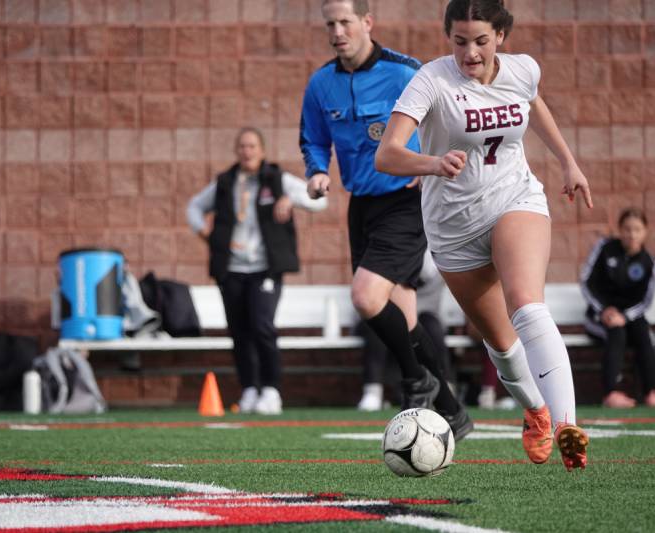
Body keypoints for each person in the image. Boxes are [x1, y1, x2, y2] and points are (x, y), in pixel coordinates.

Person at [375, 0, 590, 470]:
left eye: (481, 41)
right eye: (459, 41)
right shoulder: (431, 80)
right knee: (502, 344)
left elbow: (534, 105)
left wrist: (568, 162)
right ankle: (536, 412)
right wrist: (432, 162)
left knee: (527, 303)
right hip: (453, 228)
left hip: (515, 199)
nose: (470, 52)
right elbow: (387, 155)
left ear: (501, 37)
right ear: (447, 37)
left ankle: (568, 427)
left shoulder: (522, 70)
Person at [300, 0, 473, 440]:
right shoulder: (321, 84)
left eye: (345, 22)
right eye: (330, 24)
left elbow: (450, 117)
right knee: (404, 316)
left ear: (367, 23)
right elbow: (314, 139)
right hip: (362, 207)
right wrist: (318, 171)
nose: (337, 31)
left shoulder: (404, 72)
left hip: (406, 201)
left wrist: (431, 163)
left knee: (365, 297)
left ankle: (415, 379)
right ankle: (452, 410)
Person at [187, 127, 328, 415]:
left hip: (265, 268)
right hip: (232, 268)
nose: (247, 151)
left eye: (252, 146)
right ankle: (249, 388)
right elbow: (194, 207)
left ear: (261, 150)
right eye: (242, 146)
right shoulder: (226, 182)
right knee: (239, 331)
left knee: (262, 326)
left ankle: (271, 389)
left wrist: (293, 199)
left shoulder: (277, 179)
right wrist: (206, 234)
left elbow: (320, 200)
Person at [581, 208, 655, 409]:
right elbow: (586, 282)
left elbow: (646, 300)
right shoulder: (604, 248)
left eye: (637, 229)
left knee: (643, 334)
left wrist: (625, 316)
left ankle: (651, 392)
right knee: (616, 333)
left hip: (630, 316)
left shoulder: (650, 262)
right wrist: (605, 310)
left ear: (645, 232)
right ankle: (610, 393)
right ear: (620, 230)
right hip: (599, 314)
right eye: (627, 229)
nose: (632, 234)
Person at [356, 250, 453, 411]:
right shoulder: (383, 253)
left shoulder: (436, 257)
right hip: (385, 310)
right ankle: (372, 390)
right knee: (378, 326)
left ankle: (445, 388)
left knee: (431, 327)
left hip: (423, 314)